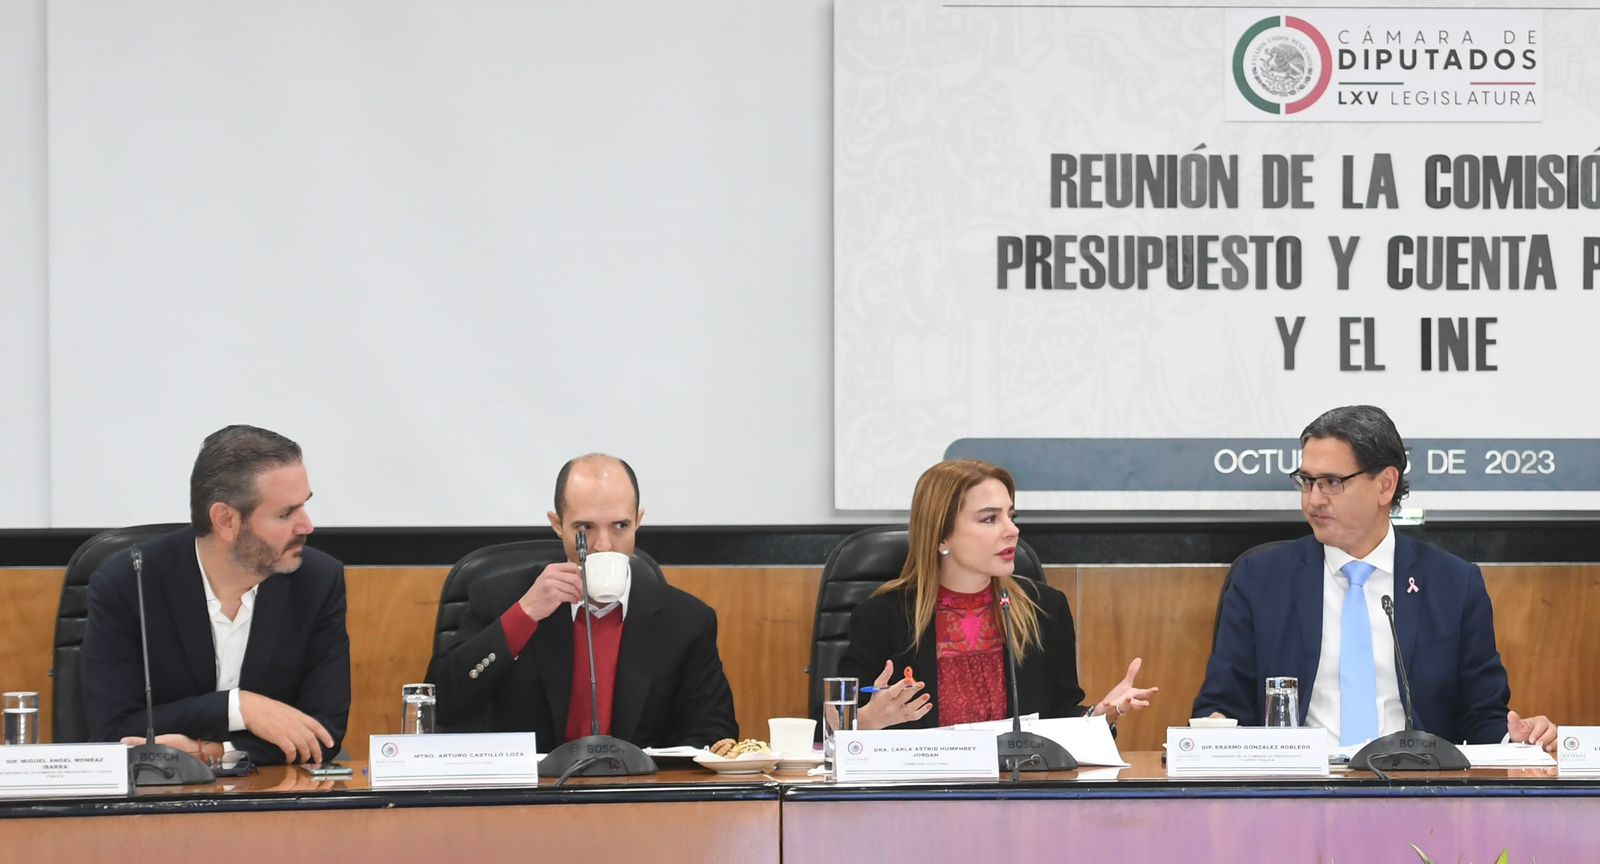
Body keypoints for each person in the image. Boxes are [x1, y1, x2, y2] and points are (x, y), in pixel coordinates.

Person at [1194, 405, 1557, 751]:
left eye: (1331, 482)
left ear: (1385, 485)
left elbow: (1481, 716)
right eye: (1307, 481)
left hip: (1417, 784)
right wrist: (1216, 728)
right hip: (1299, 784)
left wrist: (1518, 741)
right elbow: (1222, 703)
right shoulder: (1260, 580)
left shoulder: (1453, 585)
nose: (1313, 500)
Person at [81, 425, 350, 765]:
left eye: (304, 506)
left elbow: (323, 734)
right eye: (286, 513)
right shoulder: (128, 583)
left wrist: (212, 753)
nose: (307, 526)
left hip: (269, 790)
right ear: (225, 520)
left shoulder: (317, 581)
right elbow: (113, 730)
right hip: (155, 792)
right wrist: (237, 707)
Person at [428, 454, 737, 747]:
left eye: (620, 526)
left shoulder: (687, 621)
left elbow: (715, 734)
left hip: (639, 784)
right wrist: (524, 615)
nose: (603, 545)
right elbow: (439, 705)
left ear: (638, 521)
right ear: (557, 524)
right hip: (535, 785)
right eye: (585, 528)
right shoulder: (500, 598)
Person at [841, 459, 1157, 730]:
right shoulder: (881, 618)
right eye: (990, 519)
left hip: (1018, 783)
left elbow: (1058, 719)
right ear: (941, 536)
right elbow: (829, 727)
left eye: (1011, 516)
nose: (1012, 530)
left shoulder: (1044, 610)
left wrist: (1101, 714)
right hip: (922, 784)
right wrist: (866, 721)